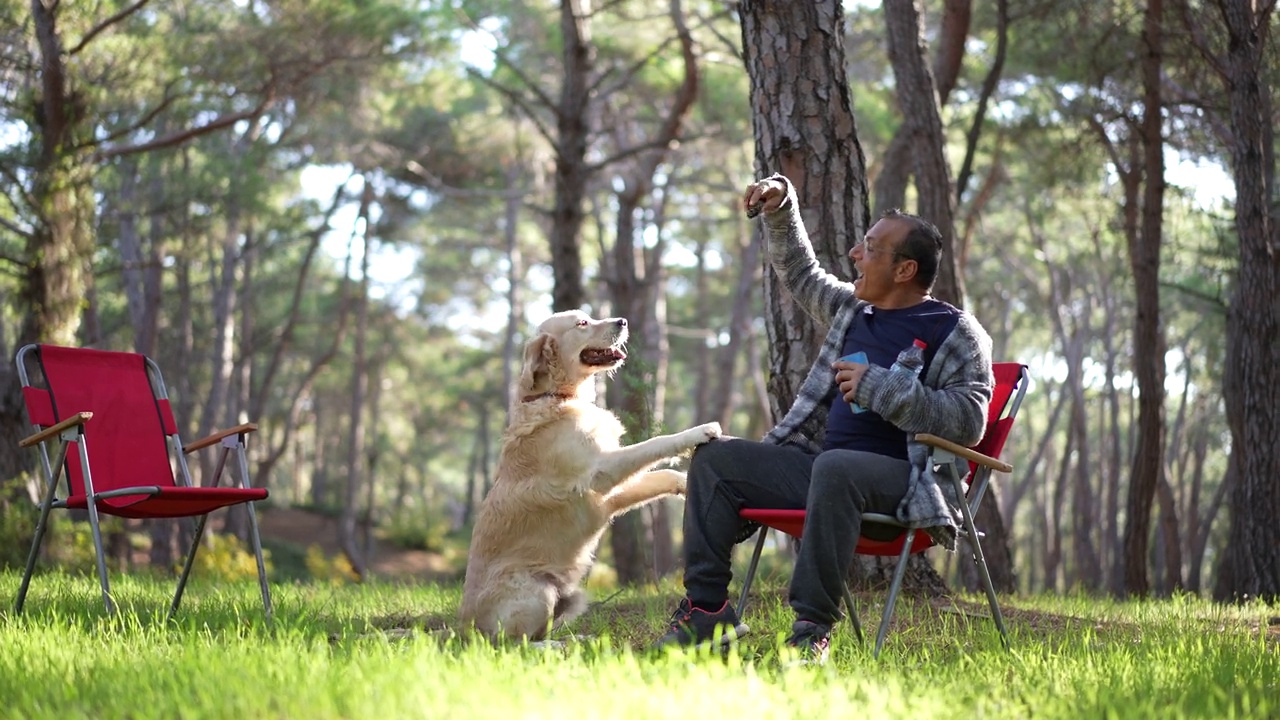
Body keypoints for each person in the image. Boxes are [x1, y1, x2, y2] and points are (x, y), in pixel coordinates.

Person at [653, 174, 994, 664]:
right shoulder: (854, 309)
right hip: (822, 469)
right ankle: (707, 612)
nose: (856, 253)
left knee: (838, 467)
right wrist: (781, 207)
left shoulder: (956, 332)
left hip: (906, 481)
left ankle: (810, 631)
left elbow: (968, 423)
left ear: (905, 270)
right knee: (715, 458)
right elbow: (801, 274)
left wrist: (881, 387)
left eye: (871, 248)